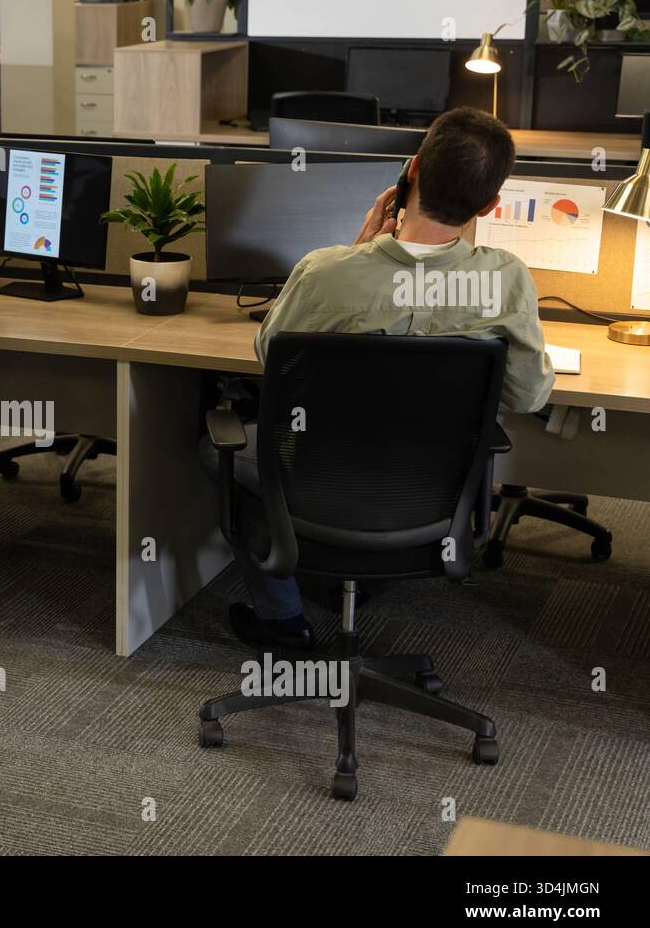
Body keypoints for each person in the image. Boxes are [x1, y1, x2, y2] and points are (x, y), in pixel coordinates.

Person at [205, 106, 555, 651]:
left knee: (213, 445)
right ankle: (374, 563)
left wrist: (356, 253)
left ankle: (283, 620)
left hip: (317, 483)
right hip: (431, 498)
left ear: (410, 171)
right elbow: (530, 395)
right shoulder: (506, 279)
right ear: (489, 205)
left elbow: (266, 354)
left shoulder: (325, 270)